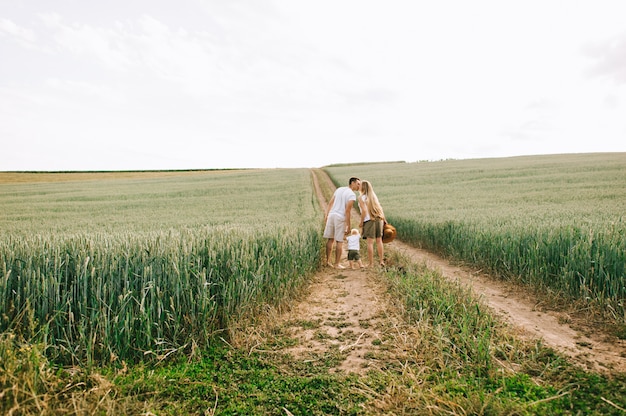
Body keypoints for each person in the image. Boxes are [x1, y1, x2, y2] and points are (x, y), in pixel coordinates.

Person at [324, 177, 361, 269]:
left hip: (332, 215)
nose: (359, 186)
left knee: (330, 239)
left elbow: (330, 203)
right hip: (340, 217)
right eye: (358, 184)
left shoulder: (339, 189)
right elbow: (347, 211)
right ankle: (336, 264)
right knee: (339, 241)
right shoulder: (352, 195)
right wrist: (348, 225)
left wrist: (327, 214)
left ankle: (327, 261)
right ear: (352, 183)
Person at [358, 180, 386, 267]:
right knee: (379, 241)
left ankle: (371, 263)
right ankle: (381, 261)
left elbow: (364, 211)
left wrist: (361, 222)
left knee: (370, 242)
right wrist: (384, 219)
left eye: (360, 185)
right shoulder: (373, 195)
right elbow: (380, 208)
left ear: (362, 187)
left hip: (369, 220)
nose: (358, 186)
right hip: (379, 219)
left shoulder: (361, 197)